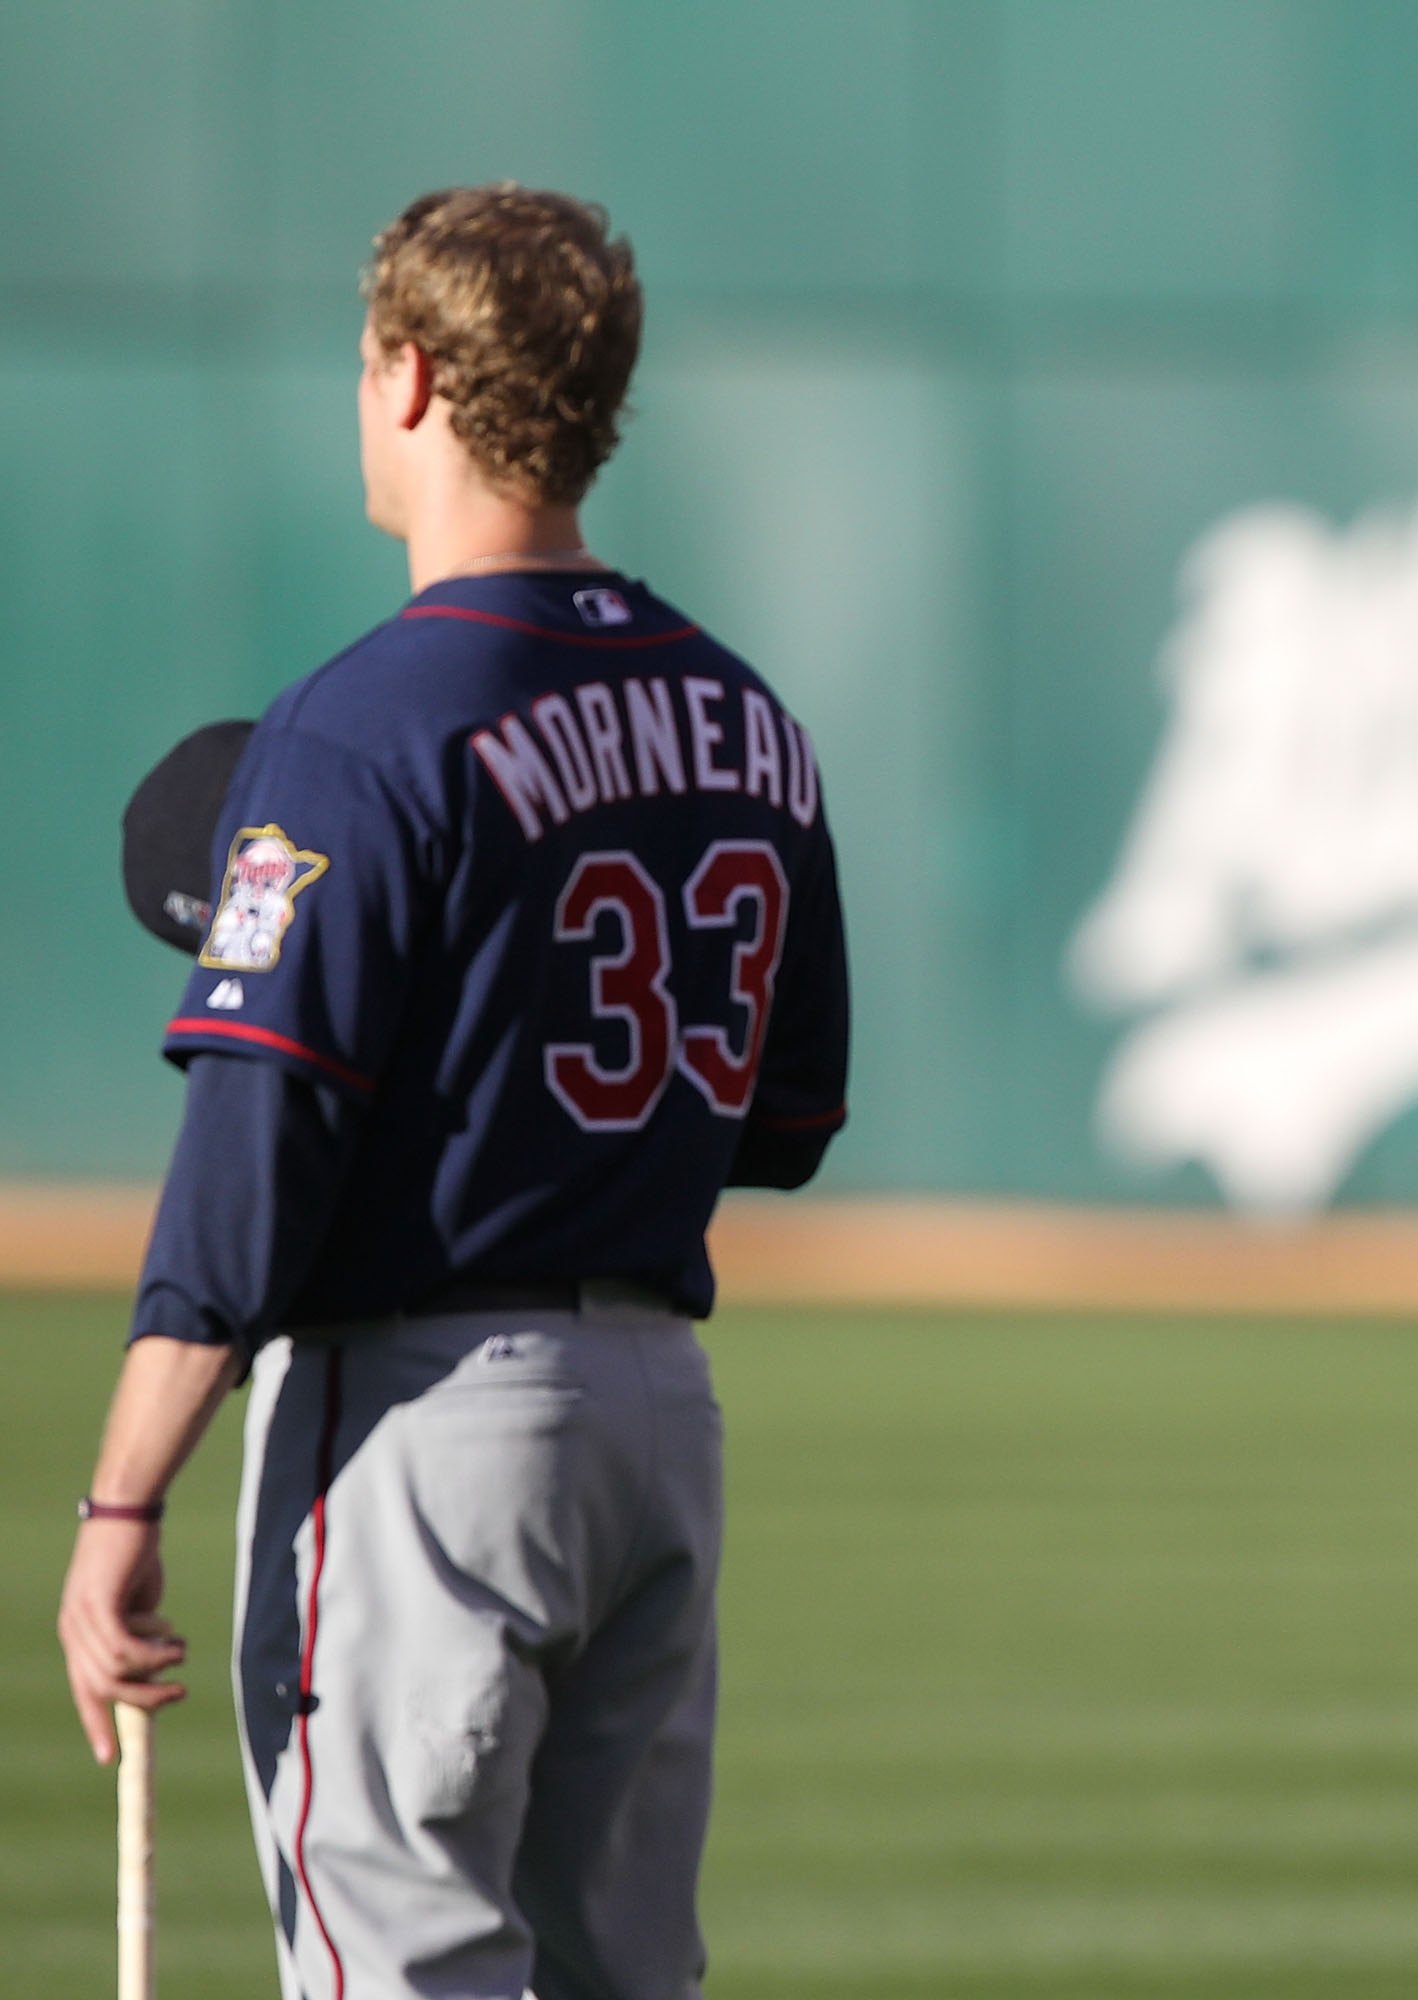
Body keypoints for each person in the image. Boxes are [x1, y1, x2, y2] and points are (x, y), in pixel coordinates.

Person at [57, 184, 850, 1999]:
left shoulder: (359, 726)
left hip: (420, 1423)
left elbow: (249, 1163)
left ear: (412, 377)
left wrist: (120, 1505)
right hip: (658, 1413)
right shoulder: (748, 721)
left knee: (396, 1969)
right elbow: (783, 1120)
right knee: (620, 1978)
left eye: (363, 360)